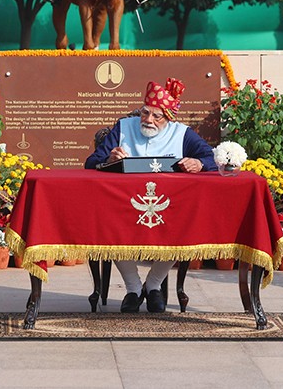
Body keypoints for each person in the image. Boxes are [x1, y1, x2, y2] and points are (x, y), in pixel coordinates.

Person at [85, 77, 215, 313]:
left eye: (157, 116)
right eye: (145, 113)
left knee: (183, 225)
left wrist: (199, 163)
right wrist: (109, 159)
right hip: (124, 207)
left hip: (167, 208)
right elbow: (91, 163)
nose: (148, 120)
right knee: (109, 225)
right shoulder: (124, 128)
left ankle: (153, 285)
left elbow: (210, 158)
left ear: (169, 118)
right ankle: (133, 288)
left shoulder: (182, 133)